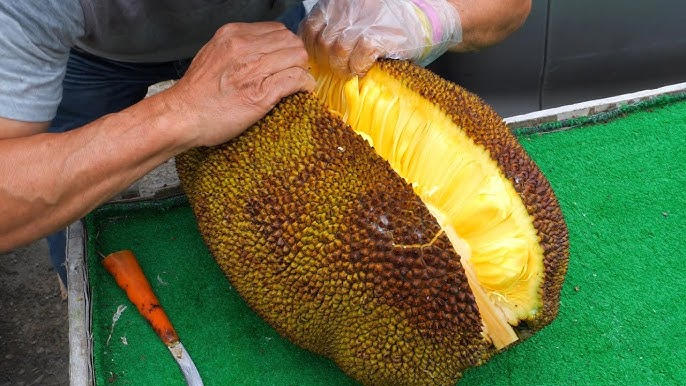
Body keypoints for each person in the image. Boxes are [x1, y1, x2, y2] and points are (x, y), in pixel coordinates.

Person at [0, 0, 531, 287]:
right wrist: (177, 112)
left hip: (271, 25)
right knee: (77, 231)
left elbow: (508, 4)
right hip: (94, 53)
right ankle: (83, 287)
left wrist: (421, 18)